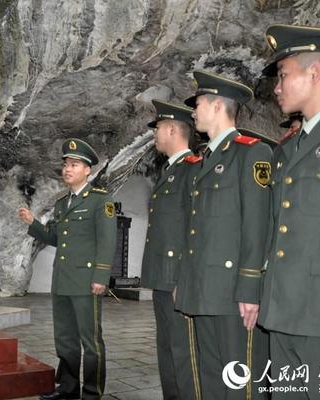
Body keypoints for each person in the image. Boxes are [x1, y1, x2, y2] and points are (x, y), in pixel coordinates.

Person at [259, 24, 320, 398]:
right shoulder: (286, 150)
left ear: (314, 74)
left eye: (283, 76)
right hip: (283, 311)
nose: (277, 87)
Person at [175, 71, 272, 400]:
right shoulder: (205, 160)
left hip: (234, 295)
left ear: (217, 105)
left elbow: (258, 225)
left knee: (241, 382)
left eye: (199, 103)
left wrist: (250, 288)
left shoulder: (251, 153)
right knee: (212, 378)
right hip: (204, 289)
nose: (194, 111)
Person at [18, 138, 117, 400]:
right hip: (62, 281)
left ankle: (92, 393)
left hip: (86, 282)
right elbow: (56, 238)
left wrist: (100, 277)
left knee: (91, 342)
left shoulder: (101, 201)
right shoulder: (63, 204)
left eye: (74, 164)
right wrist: (34, 223)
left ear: (88, 170)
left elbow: (107, 241)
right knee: (65, 339)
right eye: (65, 165)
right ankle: (68, 388)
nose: (67, 169)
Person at [141, 100, 202, 400]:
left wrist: (185, 278)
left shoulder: (193, 169)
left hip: (177, 279)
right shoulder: (170, 171)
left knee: (183, 353)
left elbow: (196, 228)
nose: (155, 135)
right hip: (162, 279)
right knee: (166, 350)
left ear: (173, 129)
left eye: (158, 129)